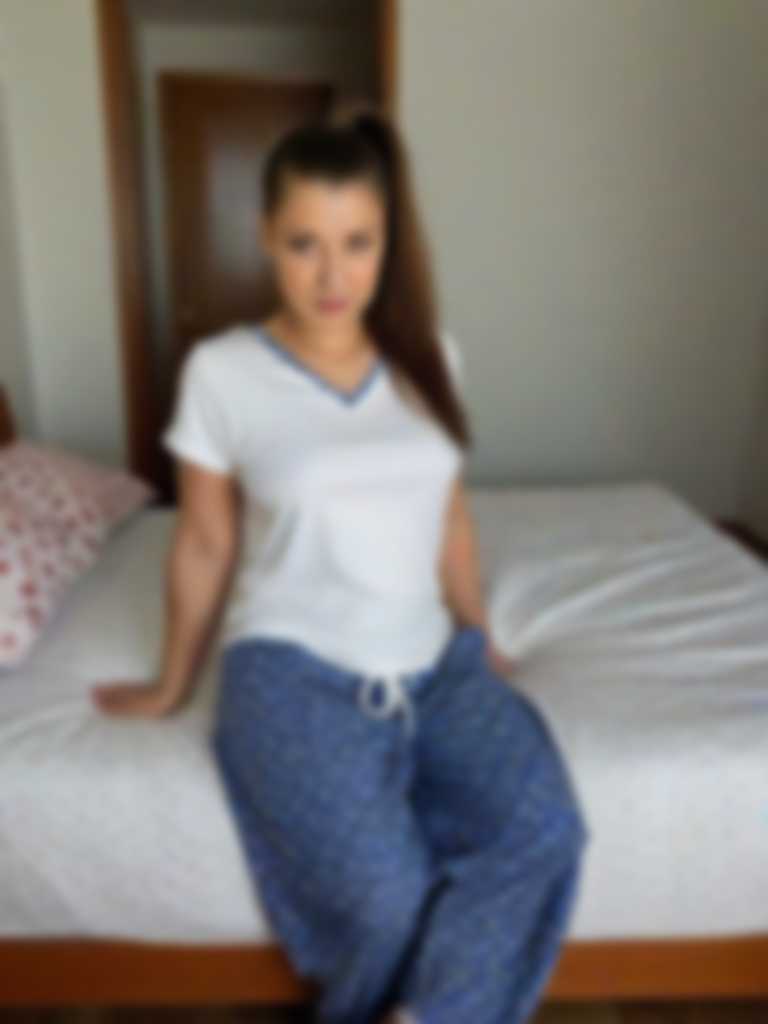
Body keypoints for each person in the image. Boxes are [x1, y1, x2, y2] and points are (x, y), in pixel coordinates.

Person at [91, 99, 590, 1024]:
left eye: (358, 243)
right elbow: (203, 540)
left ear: (387, 243)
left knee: (544, 828)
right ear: (264, 236)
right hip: (292, 672)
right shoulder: (221, 373)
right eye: (304, 244)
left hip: (433, 665)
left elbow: (448, 515)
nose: (333, 276)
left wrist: (478, 635)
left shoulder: (431, 359)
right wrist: (171, 684)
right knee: (384, 902)